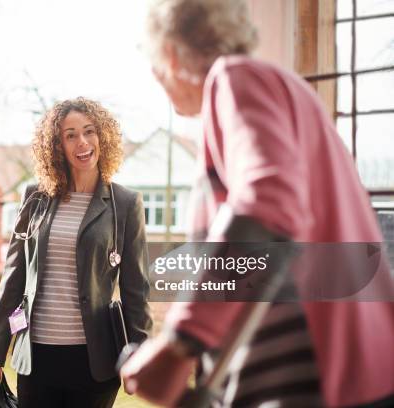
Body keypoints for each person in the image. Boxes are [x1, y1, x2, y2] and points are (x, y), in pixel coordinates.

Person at [120, 0, 394, 407]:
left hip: (310, 378)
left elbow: (268, 201)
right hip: (350, 370)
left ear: (171, 56)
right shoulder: (288, 91)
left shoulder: (235, 77)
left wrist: (181, 342)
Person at [0, 97, 152, 408]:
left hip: (95, 361)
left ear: (103, 136)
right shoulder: (35, 197)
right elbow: (14, 275)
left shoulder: (125, 203)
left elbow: (136, 289)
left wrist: (139, 355)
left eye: (89, 131)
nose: (82, 142)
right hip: (35, 357)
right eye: (70, 134)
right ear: (57, 145)